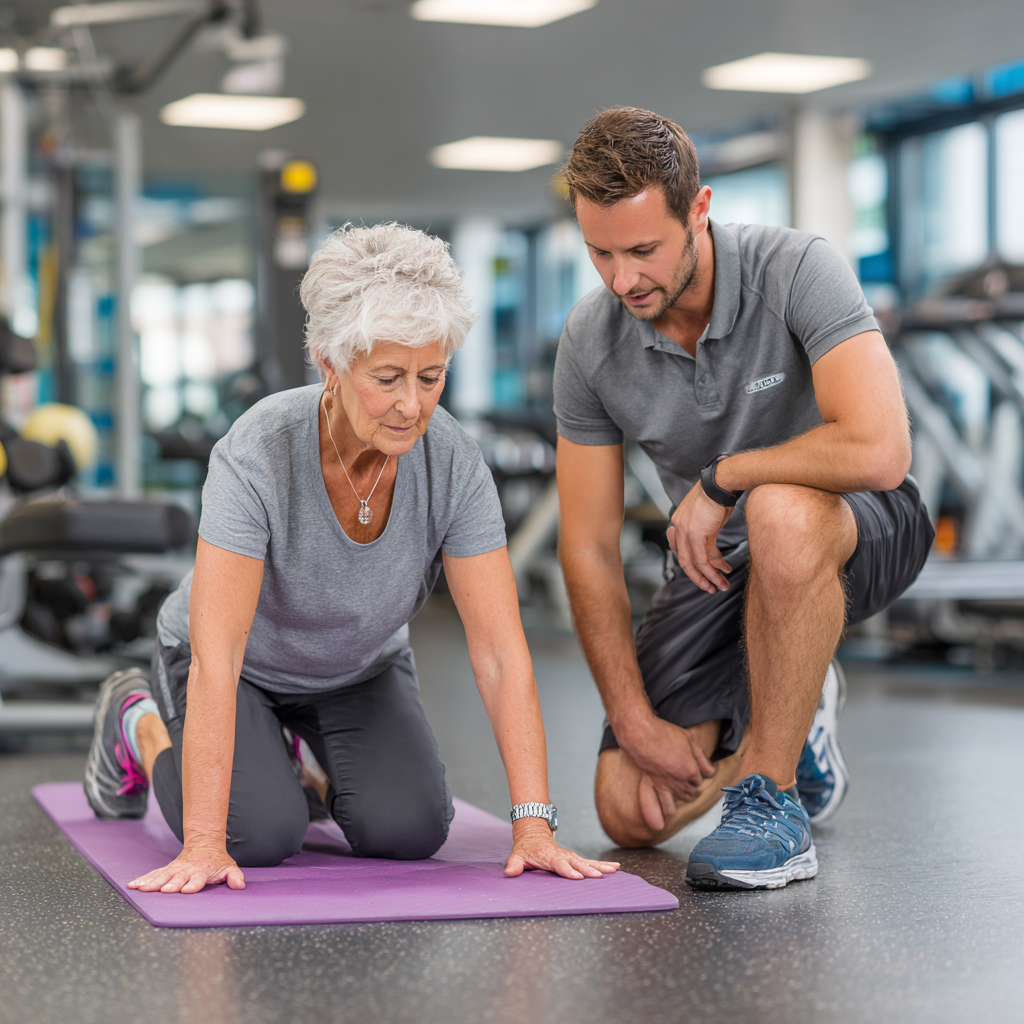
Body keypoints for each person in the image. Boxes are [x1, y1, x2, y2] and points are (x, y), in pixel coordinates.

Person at [84, 223, 619, 894]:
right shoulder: (256, 452)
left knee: (410, 830)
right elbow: (219, 655)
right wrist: (204, 844)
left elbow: (499, 650)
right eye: (387, 378)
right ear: (330, 365)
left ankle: (291, 764)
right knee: (255, 836)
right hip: (238, 666)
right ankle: (136, 718)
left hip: (357, 668)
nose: (411, 405)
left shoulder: (454, 461)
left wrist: (533, 826)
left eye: (431, 377)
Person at [554, 108, 933, 890]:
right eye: (600, 253)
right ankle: (791, 717)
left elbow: (880, 449)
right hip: (719, 565)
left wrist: (724, 477)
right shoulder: (589, 342)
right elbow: (587, 544)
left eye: (643, 250)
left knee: (778, 509)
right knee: (630, 811)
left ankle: (772, 799)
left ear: (698, 210)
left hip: (860, 525)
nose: (623, 280)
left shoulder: (794, 268)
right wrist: (632, 717)